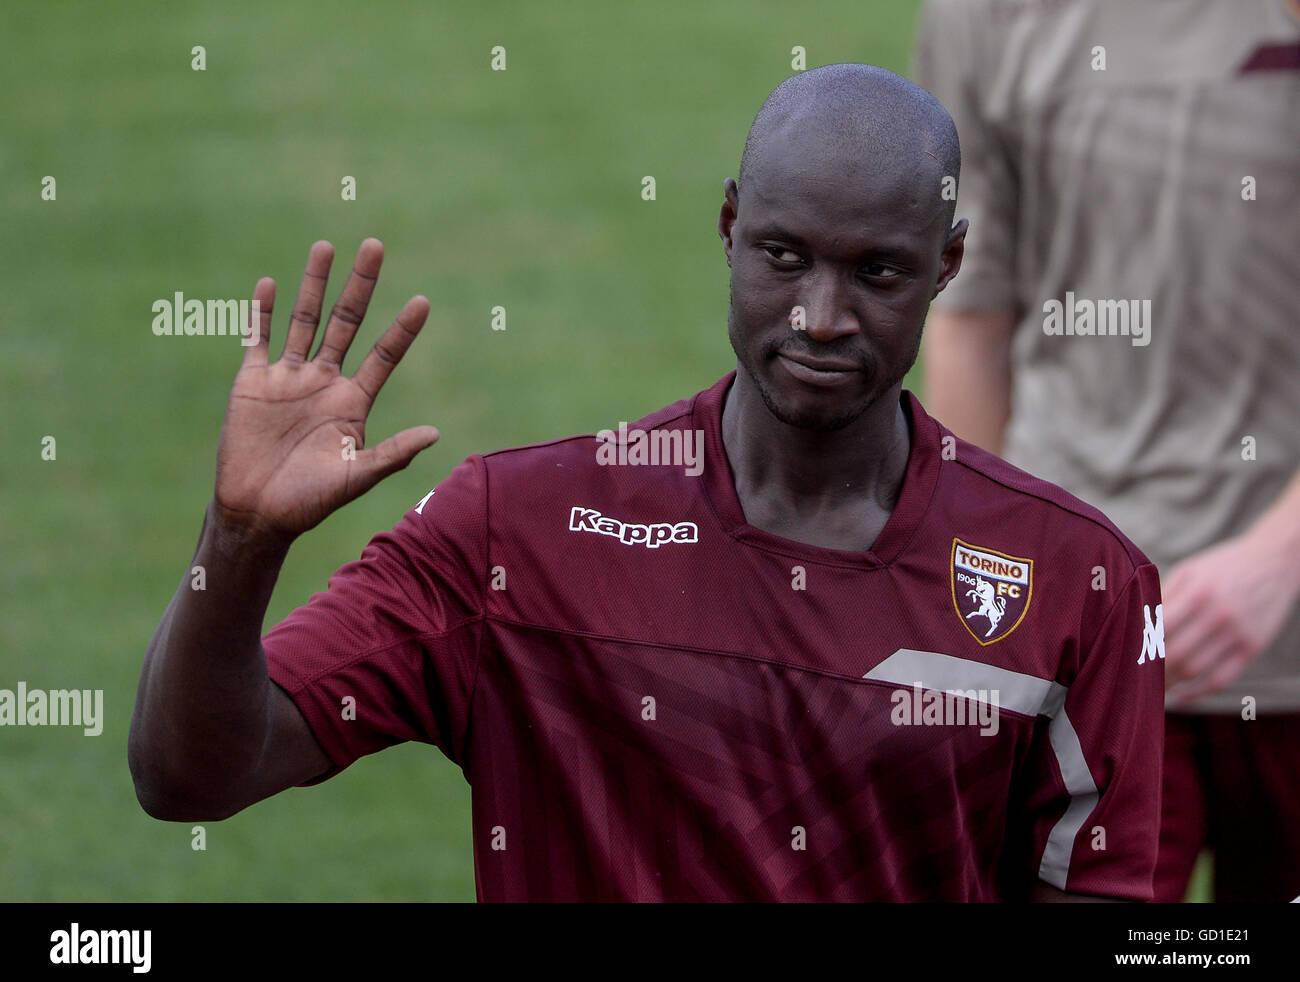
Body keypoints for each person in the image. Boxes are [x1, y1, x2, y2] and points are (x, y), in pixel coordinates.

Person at [129, 63, 1164, 902]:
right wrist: (240, 540)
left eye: (877, 273)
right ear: (727, 231)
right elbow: (191, 776)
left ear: (947, 265)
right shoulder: (515, 537)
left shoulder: (1077, 582)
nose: (819, 314)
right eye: (783, 256)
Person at [913, 0, 1300, 902]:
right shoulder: (979, 16)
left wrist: (1281, 555)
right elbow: (972, 318)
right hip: (1091, 649)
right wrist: (976, 606)